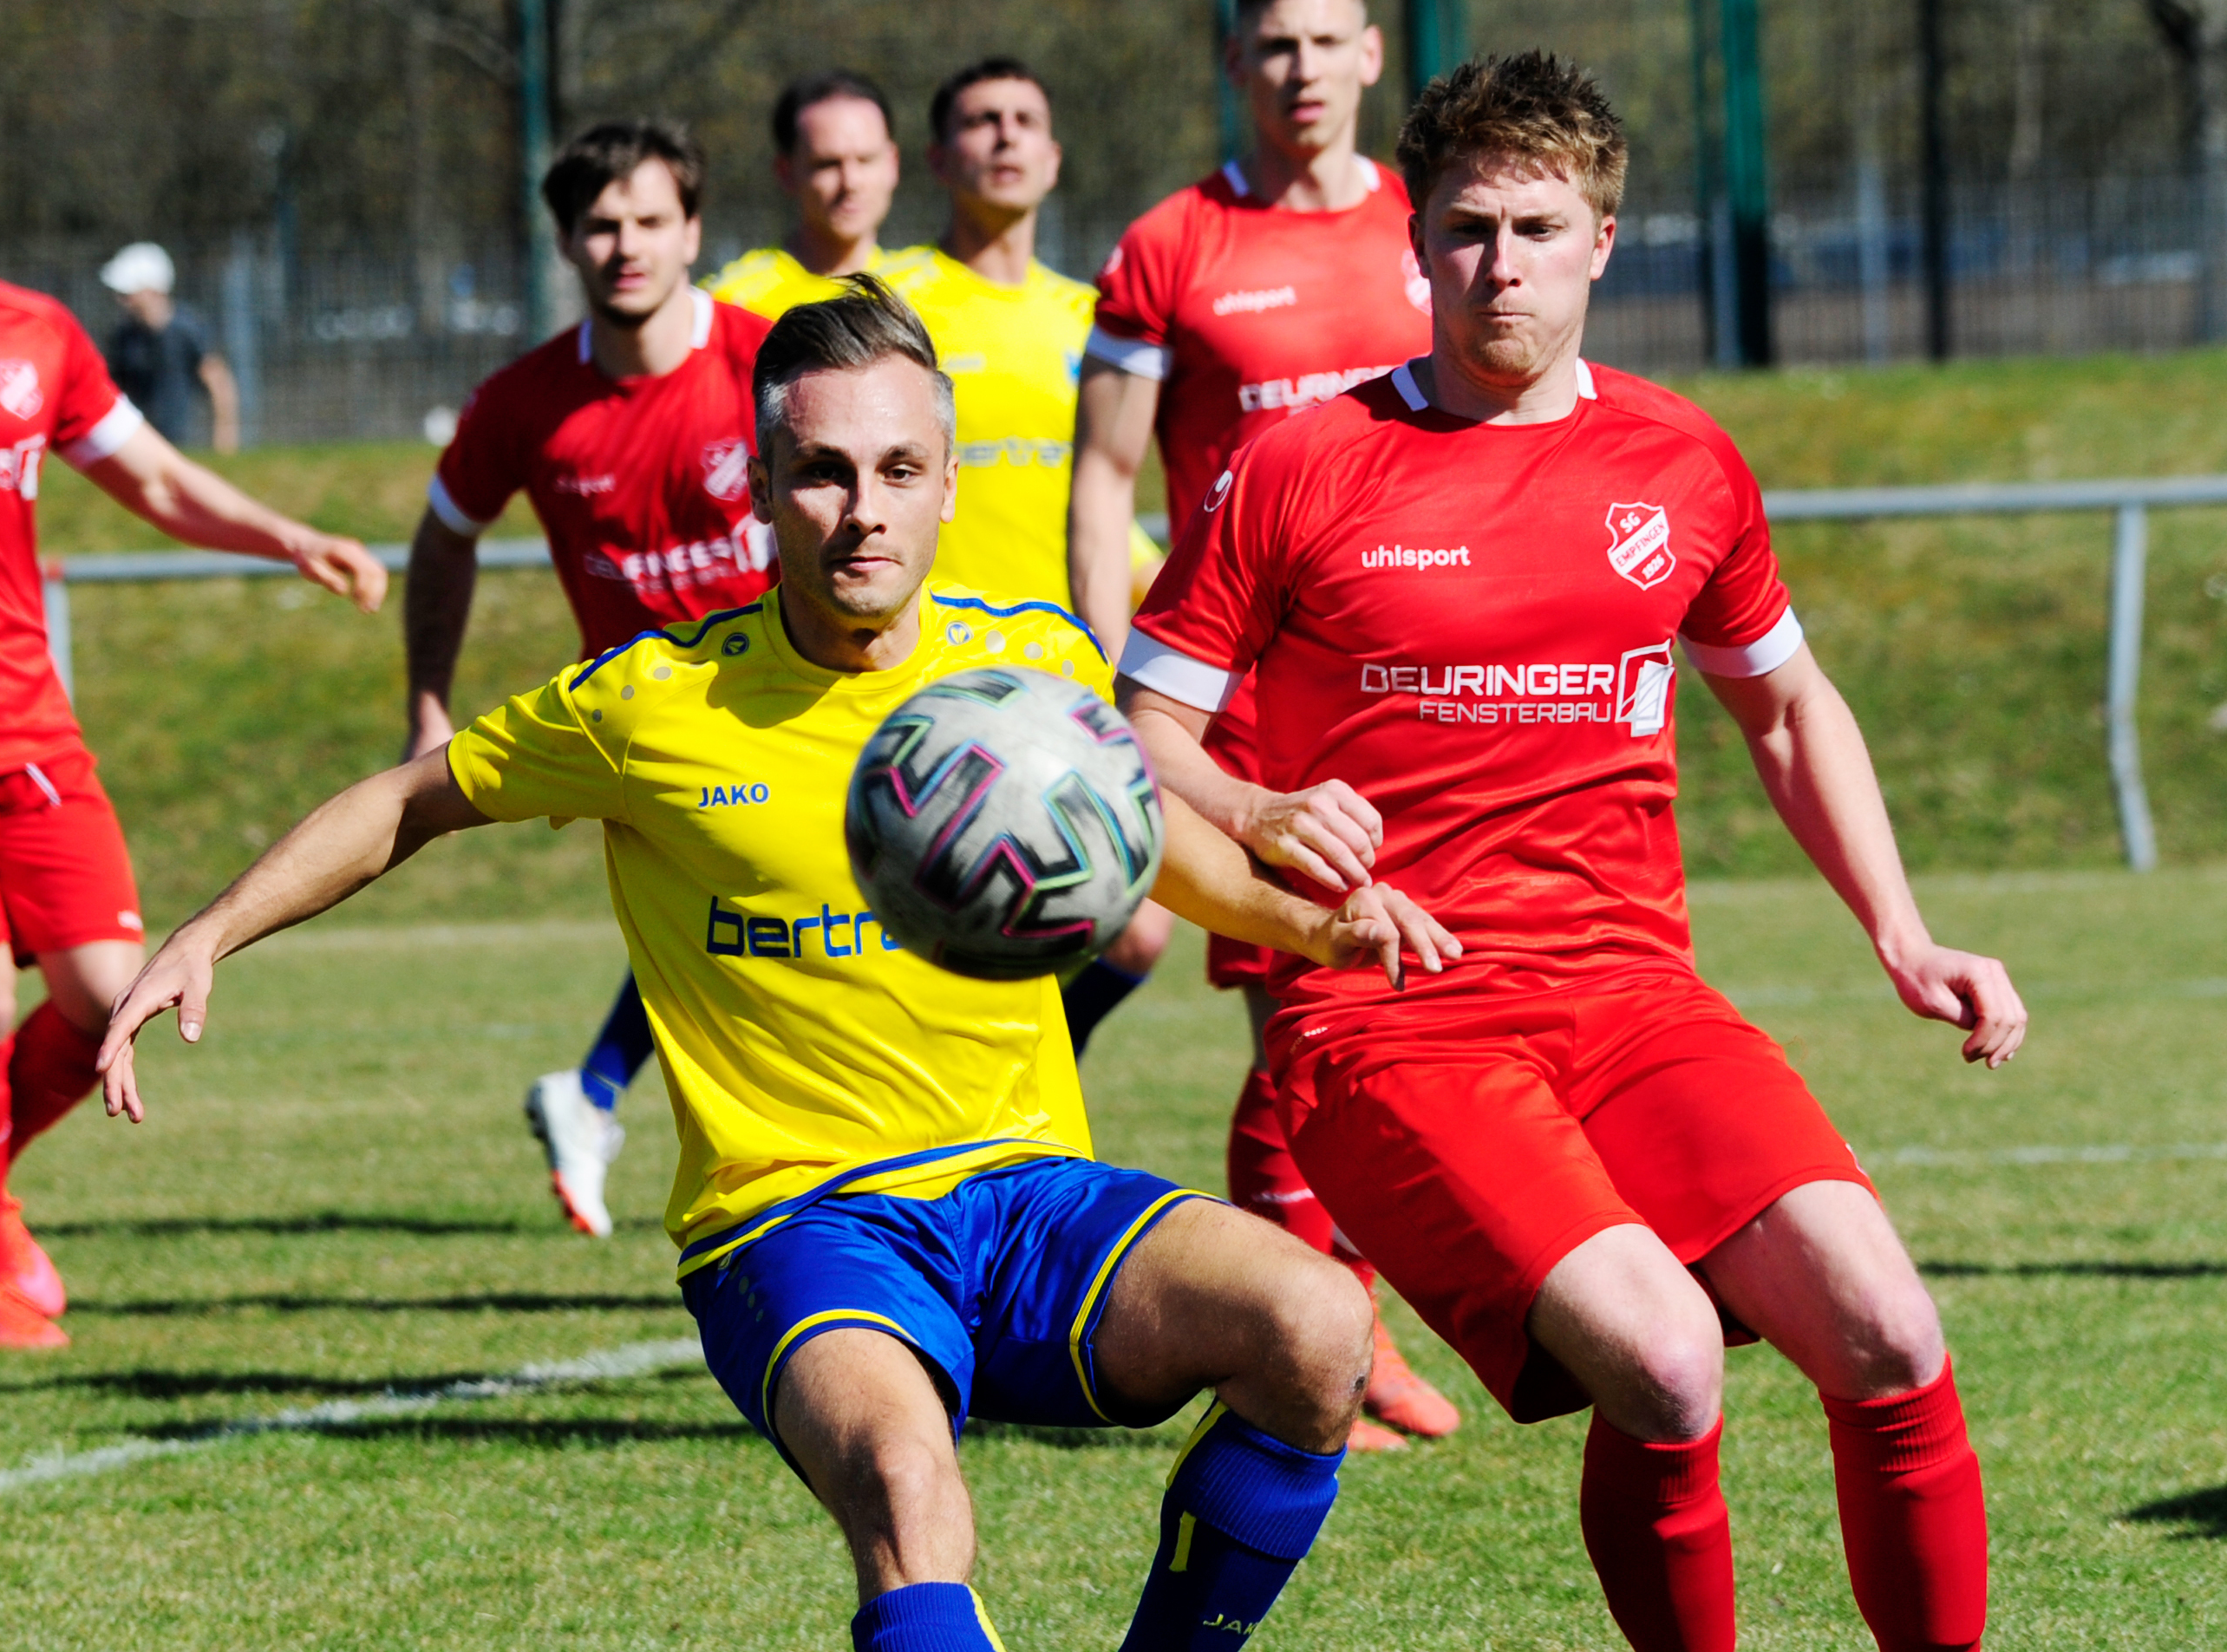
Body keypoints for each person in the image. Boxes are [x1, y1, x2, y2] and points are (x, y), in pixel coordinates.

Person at [99, 279, 1460, 1652]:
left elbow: (1143, 838)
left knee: (1313, 1322)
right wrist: (209, 929)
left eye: (899, 469)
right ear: (759, 487)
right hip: (796, 1219)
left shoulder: (1033, 664)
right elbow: (411, 799)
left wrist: (1312, 925)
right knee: (907, 1487)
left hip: (1023, 1191)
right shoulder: (654, 702)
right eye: (822, 470)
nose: (863, 508)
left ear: (947, 486)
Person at [1120, 49, 2021, 1652]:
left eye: (1537, 228)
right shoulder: (1301, 462)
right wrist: (1257, 812)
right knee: (1665, 1359)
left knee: (1887, 1325)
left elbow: (1786, 706)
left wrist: (1903, 929)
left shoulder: (1680, 460)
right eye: (1467, 228)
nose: (1501, 266)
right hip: (1387, 1011)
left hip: (1632, 999)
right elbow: (1139, 727)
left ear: (1603, 239)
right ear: (1415, 239)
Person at [0, 66, 388, 1348]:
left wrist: (288, 535)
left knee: (110, 992)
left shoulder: (34, 332)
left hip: (31, 723)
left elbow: (152, 478)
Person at [1066, 0, 1458, 1448]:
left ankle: (1348, 1320)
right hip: (1238, 706)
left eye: (1323, 40)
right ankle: (1320, 1351)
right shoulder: (1171, 242)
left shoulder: (1431, 229)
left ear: (1370, 56)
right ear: (1236, 65)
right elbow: (1104, 475)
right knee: (1300, 1014)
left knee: (1396, 1005)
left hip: (1412, 691)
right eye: (1272, 44)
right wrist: (1118, 691)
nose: (1299, 68)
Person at [401, 120, 774, 1240]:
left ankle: (600, 1094)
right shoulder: (524, 402)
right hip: (647, 731)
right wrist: (428, 699)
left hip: (793, 701)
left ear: (693, 231)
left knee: (745, 936)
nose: (627, 246)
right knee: (747, 933)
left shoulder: (770, 366)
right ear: (564, 240)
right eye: (602, 225)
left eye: (651, 220)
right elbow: (445, 534)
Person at [884, 56, 1171, 1065]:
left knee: (1137, 926)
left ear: (1053, 157)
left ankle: (1036, 1071)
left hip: (1063, 673)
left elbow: (1104, 500)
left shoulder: (1097, 315)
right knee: (938, 933)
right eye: (980, 120)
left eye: (1023, 119)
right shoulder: (895, 301)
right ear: (936, 157)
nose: (1004, 135)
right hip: (930, 675)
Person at [707, 69, 920, 321]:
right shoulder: (731, 304)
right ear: (786, 172)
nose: (850, 182)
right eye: (827, 164)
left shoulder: (936, 292)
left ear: (893, 164)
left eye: (866, 160)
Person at [98, 241, 240, 453]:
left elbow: (218, 383)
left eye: (128, 293)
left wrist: (225, 442)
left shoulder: (188, 329)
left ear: (153, 290)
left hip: (185, 445)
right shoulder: (122, 337)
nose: (121, 299)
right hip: (139, 446)